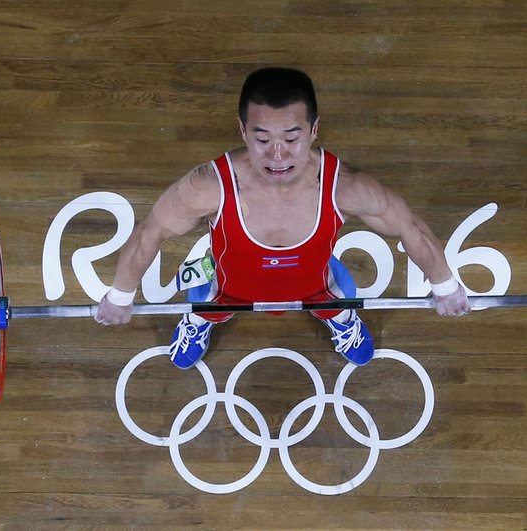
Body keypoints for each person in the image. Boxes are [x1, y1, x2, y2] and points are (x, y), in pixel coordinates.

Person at [94, 67, 470, 369]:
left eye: (291, 138)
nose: (277, 154)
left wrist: (446, 285)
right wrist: (120, 294)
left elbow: (408, 227)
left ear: (314, 130)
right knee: (208, 303)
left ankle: (339, 318)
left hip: (315, 287)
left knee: (334, 297)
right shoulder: (210, 186)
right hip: (229, 289)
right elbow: (151, 232)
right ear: (242, 130)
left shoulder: (344, 186)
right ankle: (200, 321)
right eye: (262, 139)